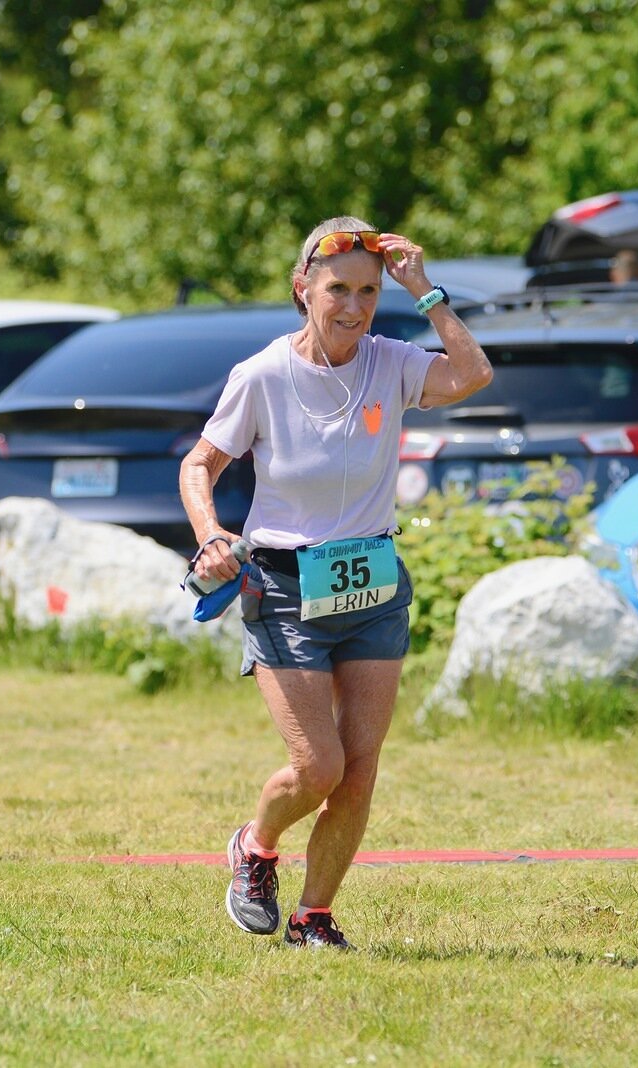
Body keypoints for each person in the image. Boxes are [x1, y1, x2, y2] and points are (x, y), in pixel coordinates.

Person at [179, 218, 492, 948]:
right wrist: (211, 536)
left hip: (373, 583)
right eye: (337, 290)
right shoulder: (262, 374)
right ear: (303, 289)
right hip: (285, 588)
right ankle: (255, 846)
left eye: (368, 292)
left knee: (359, 771)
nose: (354, 307)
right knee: (318, 765)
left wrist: (425, 289)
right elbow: (199, 466)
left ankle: (313, 917)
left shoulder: (392, 361)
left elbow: (473, 374)